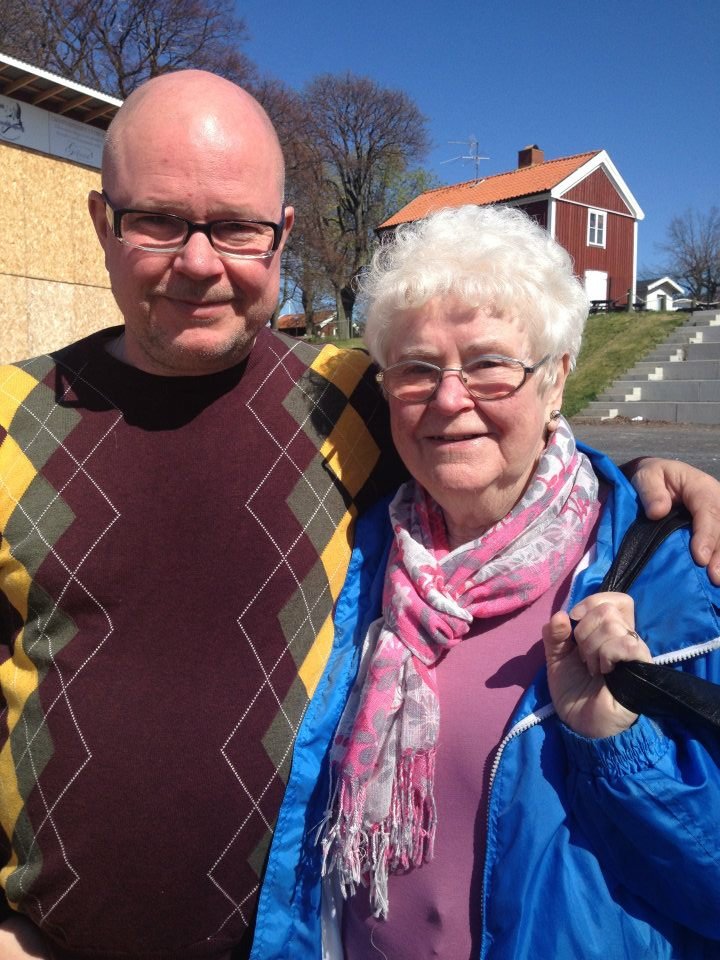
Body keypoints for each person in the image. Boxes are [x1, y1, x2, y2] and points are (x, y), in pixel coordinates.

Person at [0, 72, 718, 959]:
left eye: (236, 227)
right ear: (103, 222)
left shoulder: (344, 403)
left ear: (281, 233)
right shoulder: (14, 420)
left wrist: (654, 489)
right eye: (158, 221)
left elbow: (508, 449)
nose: (200, 262)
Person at [252, 205, 720, 959]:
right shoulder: (360, 556)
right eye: (416, 369)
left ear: (556, 377)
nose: (449, 398)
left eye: (490, 364)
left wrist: (618, 745)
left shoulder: (682, 578)